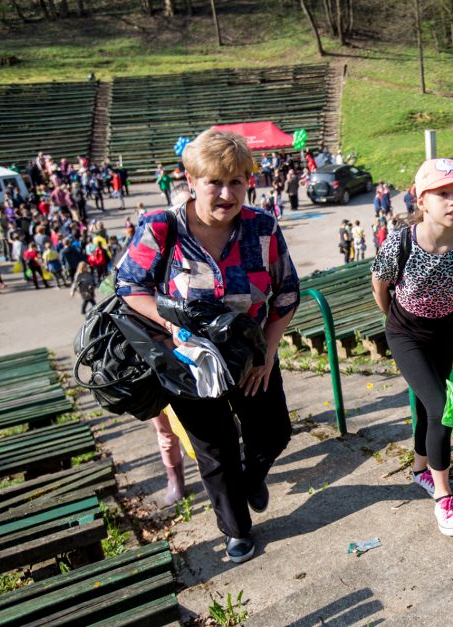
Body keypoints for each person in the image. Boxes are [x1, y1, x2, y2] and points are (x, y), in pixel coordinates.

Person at [115, 129, 300, 564]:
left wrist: (268, 354)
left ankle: (253, 478)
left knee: (274, 432)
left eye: (236, 181)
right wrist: (170, 325)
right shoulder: (162, 227)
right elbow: (128, 286)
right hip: (187, 361)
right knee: (216, 452)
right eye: (215, 181)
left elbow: (287, 292)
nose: (226, 192)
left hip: (249, 355)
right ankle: (236, 531)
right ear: (191, 179)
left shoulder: (262, 228)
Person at [371, 158, 453, 537]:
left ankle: (420, 470)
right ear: (422, 200)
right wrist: (395, 318)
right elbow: (379, 285)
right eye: (443, 193)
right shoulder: (401, 241)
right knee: (443, 409)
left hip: (442, 332)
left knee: (430, 408)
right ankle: (444, 497)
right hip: (404, 333)